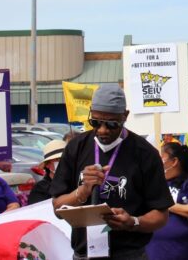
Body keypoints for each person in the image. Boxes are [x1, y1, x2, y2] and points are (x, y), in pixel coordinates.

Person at [51, 83, 174, 260]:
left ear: (125, 116)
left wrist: (133, 222)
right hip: (83, 254)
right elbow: (57, 208)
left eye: (111, 124)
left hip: (128, 254)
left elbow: (161, 215)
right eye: (95, 122)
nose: (102, 130)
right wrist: (83, 191)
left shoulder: (145, 154)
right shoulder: (76, 147)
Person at [146, 143, 188, 260]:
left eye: (161, 159)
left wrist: (166, 204)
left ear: (174, 161)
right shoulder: (154, 183)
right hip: (153, 249)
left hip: (181, 250)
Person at [27, 139, 66, 205]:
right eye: (58, 159)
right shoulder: (40, 188)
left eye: (66, 158)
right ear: (48, 165)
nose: (63, 162)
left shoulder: (76, 181)